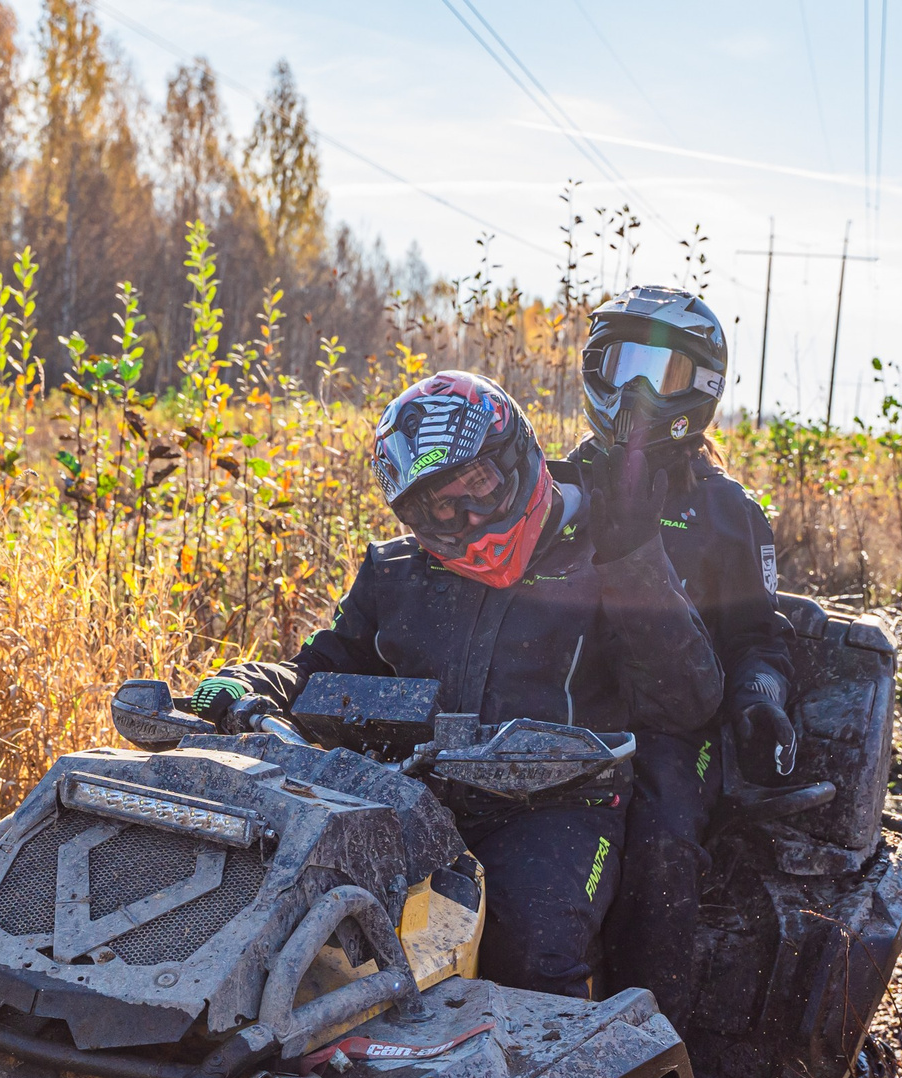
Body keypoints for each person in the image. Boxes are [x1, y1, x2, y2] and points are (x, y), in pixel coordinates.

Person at [188, 370, 723, 999]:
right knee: (295, 930)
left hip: (561, 806)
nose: (464, 515)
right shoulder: (394, 571)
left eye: (478, 485)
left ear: (518, 456)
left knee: (529, 949)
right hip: (408, 796)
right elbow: (318, 672)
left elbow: (688, 698)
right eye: (438, 505)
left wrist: (634, 558)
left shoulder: (606, 548)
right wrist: (244, 684)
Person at [569, 286, 799, 1022]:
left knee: (660, 830)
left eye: (657, 371)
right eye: (621, 364)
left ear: (698, 389)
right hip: (558, 703)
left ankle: (647, 1042)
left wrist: (760, 696)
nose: (634, 389)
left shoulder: (730, 515)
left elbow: (760, 638)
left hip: (676, 732)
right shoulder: (557, 484)